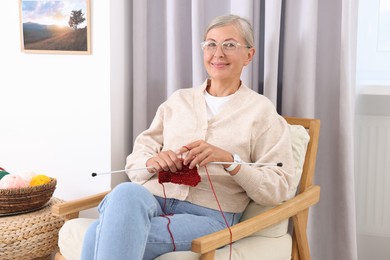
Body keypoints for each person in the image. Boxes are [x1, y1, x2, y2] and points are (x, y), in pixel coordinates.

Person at [81, 14, 295, 260]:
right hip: (152, 198)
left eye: (229, 44)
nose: (218, 53)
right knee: (123, 192)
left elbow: (279, 187)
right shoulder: (178, 101)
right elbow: (136, 160)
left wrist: (230, 161)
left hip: (209, 215)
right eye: (211, 44)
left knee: (97, 232)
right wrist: (153, 161)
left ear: (249, 54)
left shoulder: (262, 112)